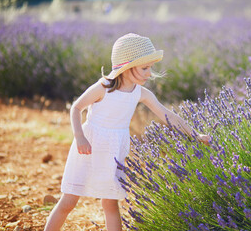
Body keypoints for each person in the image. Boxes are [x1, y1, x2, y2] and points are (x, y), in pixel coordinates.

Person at [44, 33, 211, 231]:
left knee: (110, 202)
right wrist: (79, 136)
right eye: (145, 68)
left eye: (150, 68)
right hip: (89, 146)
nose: (149, 73)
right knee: (69, 200)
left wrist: (195, 135)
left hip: (115, 149)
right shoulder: (104, 87)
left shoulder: (140, 93)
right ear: (127, 67)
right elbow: (76, 108)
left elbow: (168, 116)